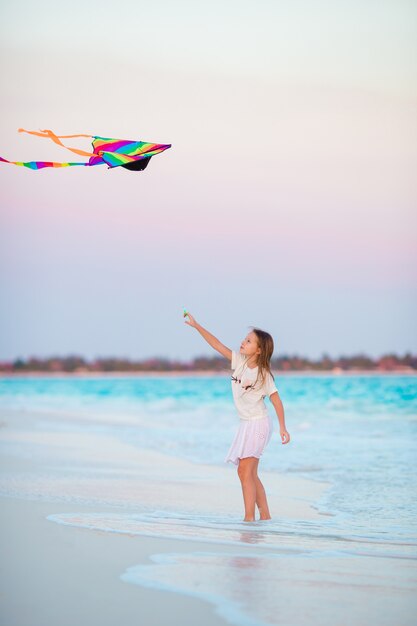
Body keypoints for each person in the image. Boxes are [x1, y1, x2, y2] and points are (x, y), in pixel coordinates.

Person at [184, 312, 290, 522]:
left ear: (259, 350)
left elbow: (276, 400)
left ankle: (249, 518)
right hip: (246, 424)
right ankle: (265, 516)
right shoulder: (239, 362)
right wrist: (197, 326)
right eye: (245, 339)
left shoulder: (263, 374)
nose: (244, 342)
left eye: (249, 341)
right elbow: (217, 344)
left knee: (244, 471)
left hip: (258, 424)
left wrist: (283, 428)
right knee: (248, 473)